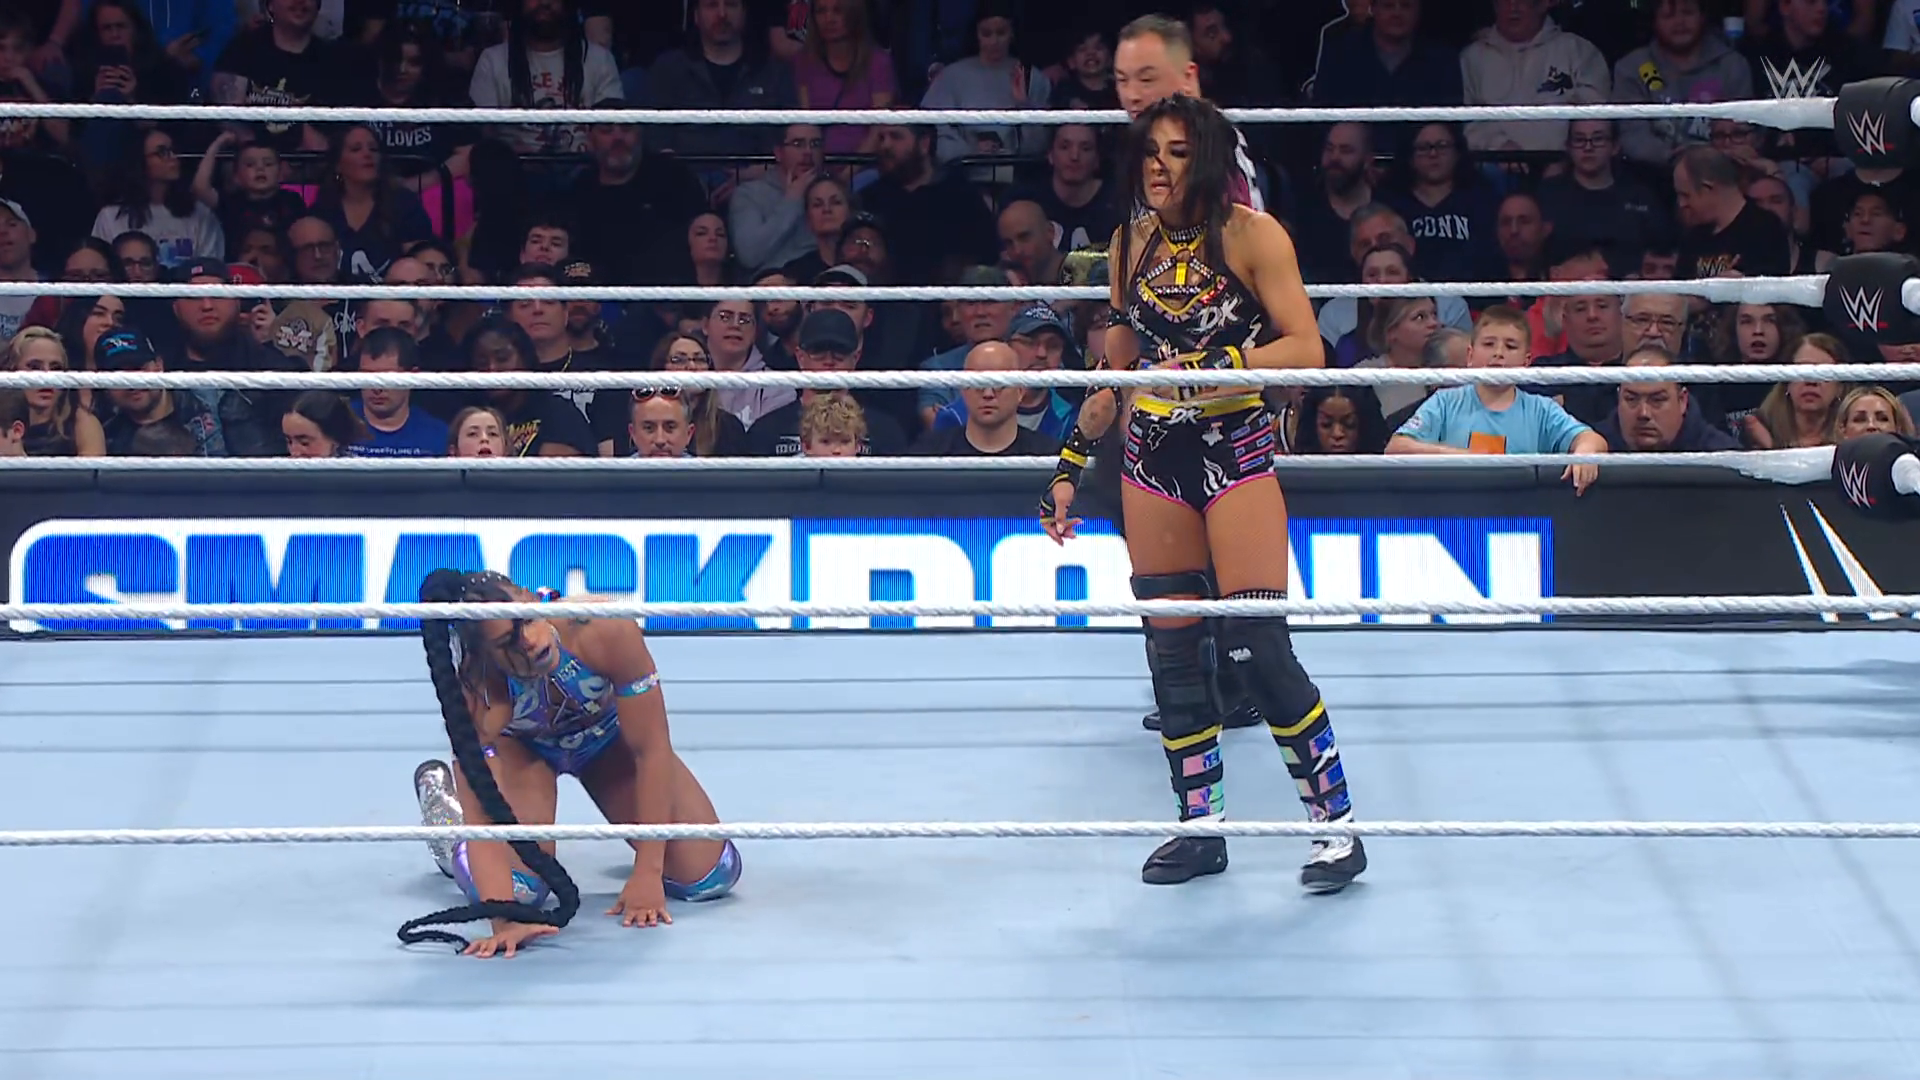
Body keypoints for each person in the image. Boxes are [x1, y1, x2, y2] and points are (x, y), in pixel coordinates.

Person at [1040, 95, 1365, 895]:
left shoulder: (1255, 235)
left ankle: (1337, 828)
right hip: (1153, 453)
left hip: (1235, 446)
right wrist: (1071, 460)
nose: (1159, 167)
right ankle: (1200, 828)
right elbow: (1119, 357)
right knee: (1174, 652)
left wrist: (1218, 365)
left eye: (1178, 152)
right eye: (1151, 152)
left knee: (1257, 648)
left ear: (1210, 159)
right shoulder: (1129, 243)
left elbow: (1307, 346)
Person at [404, 570, 743, 957]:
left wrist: (648, 871)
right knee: (521, 894)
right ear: (485, 657)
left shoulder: (601, 628)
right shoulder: (475, 689)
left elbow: (651, 749)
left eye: (526, 621)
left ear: (532, 598)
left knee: (711, 875)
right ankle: (449, 825)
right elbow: (483, 814)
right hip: (524, 754)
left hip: (608, 744)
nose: (529, 642)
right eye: (507, 643)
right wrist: (504, 920)